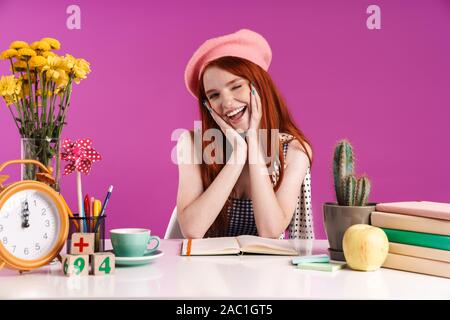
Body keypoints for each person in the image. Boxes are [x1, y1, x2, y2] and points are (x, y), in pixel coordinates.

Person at [177, 29, 313, 239]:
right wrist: (237, 156)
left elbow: (270, 230)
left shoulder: (295, 151)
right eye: (214, 95)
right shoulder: (192, 144)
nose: (227, 103)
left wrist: (253, 145)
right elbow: (192, 230)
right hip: (205, 269)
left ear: (260, 87)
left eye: (236, 86)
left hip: (266, 270)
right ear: (208, 106)